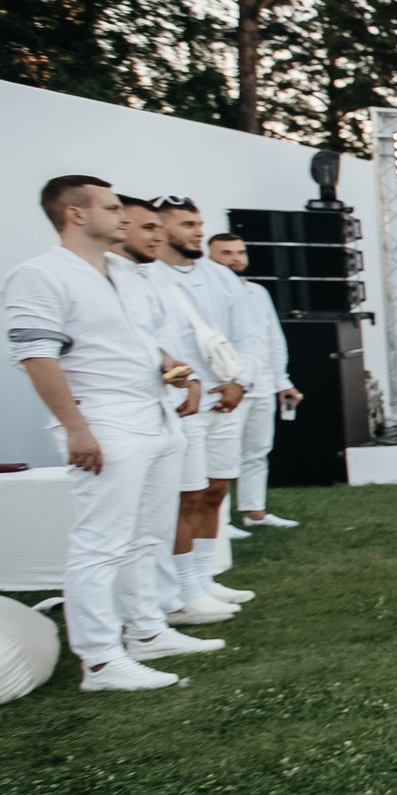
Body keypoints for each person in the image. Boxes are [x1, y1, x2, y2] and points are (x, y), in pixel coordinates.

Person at [1, 176, 219, 689]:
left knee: (146, 536)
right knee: (101, 543)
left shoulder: (124, 273)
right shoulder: (38, 275)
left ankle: (145, 630)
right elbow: (37, 355)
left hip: (157, 414)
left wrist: (179, 373)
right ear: (76, 214)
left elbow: (142, 344)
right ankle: (98, 659)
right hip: (105, 420)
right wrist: (76, 428)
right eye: (112, 207)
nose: (124, 216)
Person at [152, 197, 257, 617]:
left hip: (226, 398)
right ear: (162, 229)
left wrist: (239, 383)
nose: (197, 231)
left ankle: (203, 579)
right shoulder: (148, 277)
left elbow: (246, 334)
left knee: (215, 490)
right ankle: (183, 591)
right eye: (186, 224)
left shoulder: (220, 278)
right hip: (183, 402)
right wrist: (183, 385)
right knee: (187, 496)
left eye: (199, 223)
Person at [206, 232, 302, 530]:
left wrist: (281, 381)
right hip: (228, 386)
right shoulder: (206, 293)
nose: (236, 258)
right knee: (221, 457)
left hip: (261, 384)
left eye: (240, 252)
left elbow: (271, 339)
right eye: (226, 252)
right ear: (210, 257)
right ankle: (218, 523)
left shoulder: (258, 292)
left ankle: (254, 512)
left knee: (257, 450)